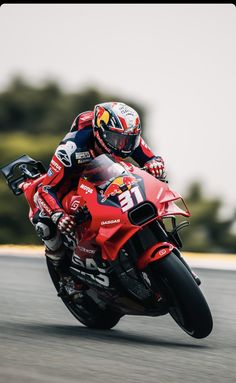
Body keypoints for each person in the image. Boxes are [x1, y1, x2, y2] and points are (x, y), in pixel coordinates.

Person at [31, 102, 167, 298]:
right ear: (99, 132)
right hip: (69, 185)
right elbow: (46, 190)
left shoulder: (128, 136)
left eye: (128, 140)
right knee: (45, 225)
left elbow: (151, 158)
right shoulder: (71, 148)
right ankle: (66, 276)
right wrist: (58, 215)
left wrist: (155, 164)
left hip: (105, 175)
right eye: (117, 139)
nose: (124, 146)